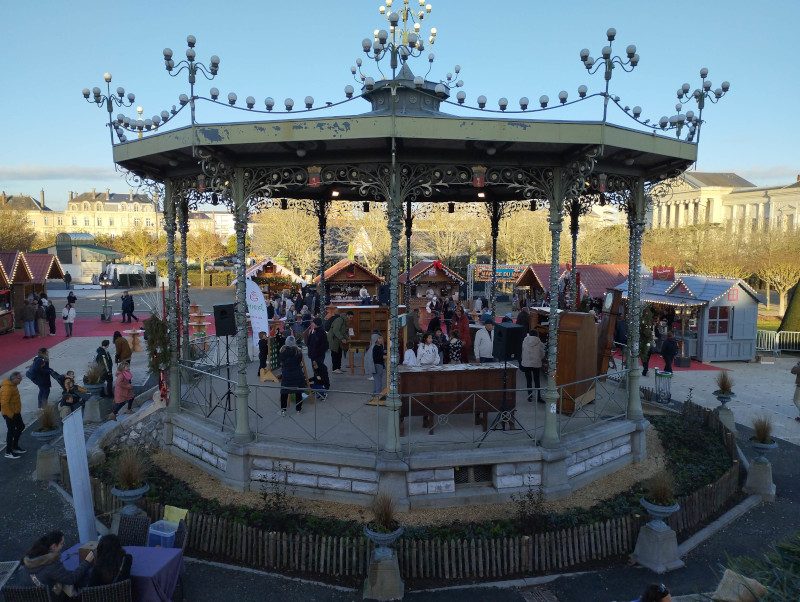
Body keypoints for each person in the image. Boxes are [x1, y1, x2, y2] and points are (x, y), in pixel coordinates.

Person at [23, 530, 94, 601]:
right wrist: (86, 561)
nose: (62, 546)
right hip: (51, 598)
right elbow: (71, 579)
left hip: (33, 596)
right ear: (54, 546)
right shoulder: (52, 564)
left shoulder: (32, 555)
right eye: (61, 544)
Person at [279, 336, 306, 416]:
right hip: (297, 374)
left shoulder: (282, 352)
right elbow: (300, 360)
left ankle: (283, 410)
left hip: (287, 375)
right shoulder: (298, 352)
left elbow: (280, 361)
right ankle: (298, 410)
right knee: (298, 392)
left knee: (284, 392)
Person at [2, 371, 25, 459]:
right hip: (9, 413)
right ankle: (8, 452)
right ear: (14, 378)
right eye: (19, 379)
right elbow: (4, 403)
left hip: (15, 412)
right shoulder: (7, 388)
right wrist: (10, 415)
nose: (20, 381)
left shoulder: (13, 386)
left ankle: (14, 447)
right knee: (11, 431)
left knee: (21, 427)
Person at [520, 330, 545, 402]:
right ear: (537, 335)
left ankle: (529, 396)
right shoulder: (540, 343)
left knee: (528, 380)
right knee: (537, 380)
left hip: (526, 363)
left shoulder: (524, 341)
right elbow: (542, 354)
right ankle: (538, 397)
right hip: (536, 363)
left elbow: (522, 351)